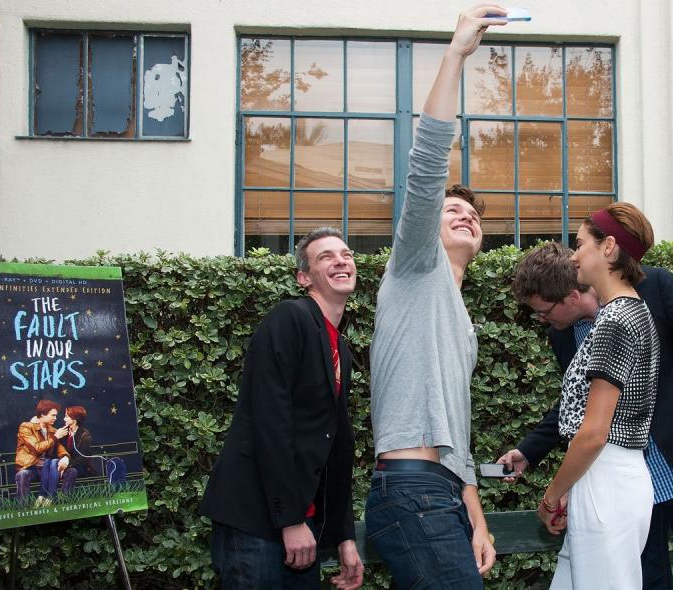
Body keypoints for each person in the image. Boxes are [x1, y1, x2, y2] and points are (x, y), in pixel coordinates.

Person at [498, 241, 673, 589]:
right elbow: (582, 404)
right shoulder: (562, 336)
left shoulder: (654, 288)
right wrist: (528, 451)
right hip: (625, 487)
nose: (542, 320)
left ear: (571, 295)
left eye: (544, 311)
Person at [365, 7, 507, 588]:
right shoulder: (414, 266)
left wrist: (477, 518)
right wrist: (455, 55)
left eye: (472, 214)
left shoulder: (462, 321)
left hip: (443, 494)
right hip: (409, 490)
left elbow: (457, 431)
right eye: (453, 210)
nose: (464, 215)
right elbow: (426, 166)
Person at [199, 227, 364, 590]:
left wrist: (343, 536)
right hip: (257, 522)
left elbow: (335, 447)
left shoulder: (339, 346)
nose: (341, 260)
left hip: (298, 527)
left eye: (346, 254)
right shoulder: (290, 318)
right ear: (304, 277)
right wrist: (291, 519)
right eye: (326, 256)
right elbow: (269, 424)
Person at [531, 203, 659, 588]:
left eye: (580, 243)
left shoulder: (616, 320)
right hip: (605, 480)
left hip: (606, 481)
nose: (574, 255)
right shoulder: (625, 312)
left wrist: (553, 494)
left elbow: (593, 433)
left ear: (608, 249)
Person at [15, 399, 77, 504]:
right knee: (23, 474)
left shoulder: (52, 430)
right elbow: (37, 447)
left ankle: (64, 504)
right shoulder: (26, 427)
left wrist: (65, 457)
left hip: (48, 468)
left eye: (56, 415)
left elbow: (60, 449)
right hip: (32, 467)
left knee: (72, 471)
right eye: (53, 415)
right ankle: (23, 509)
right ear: (43, 414)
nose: (55, 418)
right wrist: (56, 437)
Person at [62, 405, 97, 478]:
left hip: (80, 467)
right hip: (65, 464)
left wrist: (67, 464)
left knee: (72, 472)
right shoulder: (64, 432)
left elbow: (82, 458)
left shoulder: (85, 436)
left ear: (74, 419)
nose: (64, 419)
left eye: (66, 417)